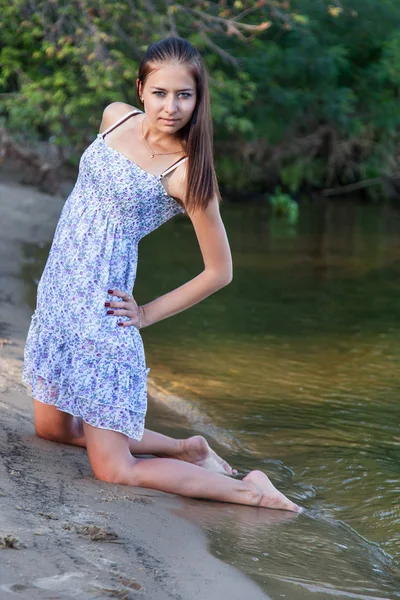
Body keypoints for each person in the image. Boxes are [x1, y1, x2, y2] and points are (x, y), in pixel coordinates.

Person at [22, 37, 301, 512]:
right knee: (52, 430)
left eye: (184, 95)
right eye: (160, 93)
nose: (171, 107)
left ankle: (250, 488)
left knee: (114, 470)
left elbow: (220, 271)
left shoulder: (187, 174)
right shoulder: (115, 117)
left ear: (198, 99)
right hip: (57, 296)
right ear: (139, 90)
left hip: (98, 316)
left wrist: (146, 313)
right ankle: (185, 448)